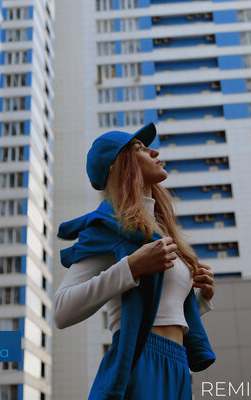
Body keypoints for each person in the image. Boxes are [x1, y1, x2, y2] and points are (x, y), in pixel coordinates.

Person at [53, 122, 216, 400]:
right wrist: (131, 268)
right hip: (140, 362)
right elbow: (61, 311)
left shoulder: (161, 232)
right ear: (116, 166)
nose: (154, 152)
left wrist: (202, 298)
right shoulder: (107, 227)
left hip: (178, 366)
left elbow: (160, 313)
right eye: (139, 148)